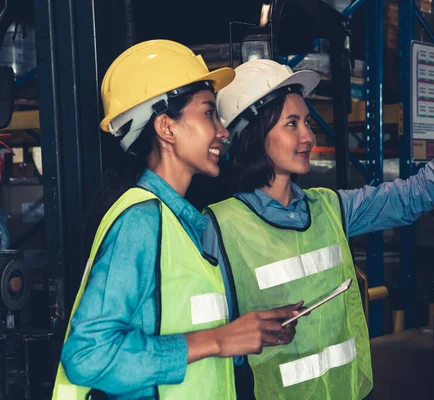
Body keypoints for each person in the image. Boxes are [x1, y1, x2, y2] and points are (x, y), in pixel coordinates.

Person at [202, 59, 434, 400]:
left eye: (306, 122)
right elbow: (212, 342)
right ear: (255, 137)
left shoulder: (330, 208)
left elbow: (416, 194)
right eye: (291, 124)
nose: (307, 136)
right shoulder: (219, 227)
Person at [52, 41, 301, 400]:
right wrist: (217, 340)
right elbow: (87, 356)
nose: (223, 130)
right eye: (208, 114)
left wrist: (242, 331)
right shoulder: (141, 221)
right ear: (166, 128)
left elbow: (177, 327)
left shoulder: (180, 222)